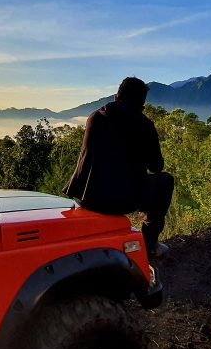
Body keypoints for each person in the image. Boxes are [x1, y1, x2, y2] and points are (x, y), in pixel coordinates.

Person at [64, 77, 174, 258]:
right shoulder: (144, 125)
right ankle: (149, 245)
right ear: (142, 104)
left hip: (85, 196)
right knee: (166, 181)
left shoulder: (95, 117)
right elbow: (156, 167)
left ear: (116, 97)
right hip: (121, 201)